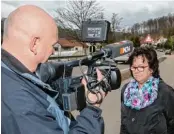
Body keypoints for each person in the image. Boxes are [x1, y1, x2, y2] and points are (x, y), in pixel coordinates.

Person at [2, 5, 107, 134]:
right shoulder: (23, 105)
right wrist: (92, 108)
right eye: (52, 45)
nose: (52, 50)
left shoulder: (9, 75)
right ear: (34, 44)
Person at [120, 46, 174, 134]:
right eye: (134, 67)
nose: (136, 71)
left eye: (141, 67)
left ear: (151, 68)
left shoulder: (164, 92)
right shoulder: (126, 91)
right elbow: (124, 123)